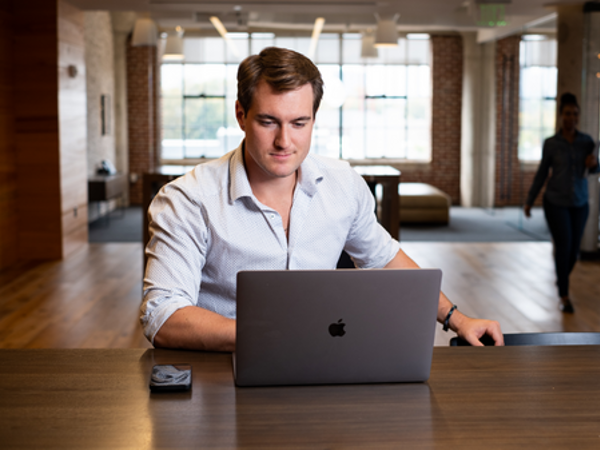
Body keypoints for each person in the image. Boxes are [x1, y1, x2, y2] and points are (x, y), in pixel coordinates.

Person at [141, 47, 503, 351]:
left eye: (299, 123)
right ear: (241, 115)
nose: (285, 141)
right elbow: (162, 316)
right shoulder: (188, 199)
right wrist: (273, 336)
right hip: (222, 370)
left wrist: (458, 318)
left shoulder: (342, 184)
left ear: (314, 119)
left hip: (322, 360)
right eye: (269, 122)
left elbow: (385, 259)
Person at [524, 92, 599, 313]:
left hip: (580, 203)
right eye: (567, 113)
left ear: (578, 116)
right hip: (555, 202)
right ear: (560, 116)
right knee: (563, 245)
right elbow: (541, 174)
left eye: (575, 114)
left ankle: (561, 276)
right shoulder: (551, 144)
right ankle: (564, 295)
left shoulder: (587, 142)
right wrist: (529, 201)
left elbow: (595, 168)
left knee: (574, 250)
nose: (571, 117)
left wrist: (594, 164)